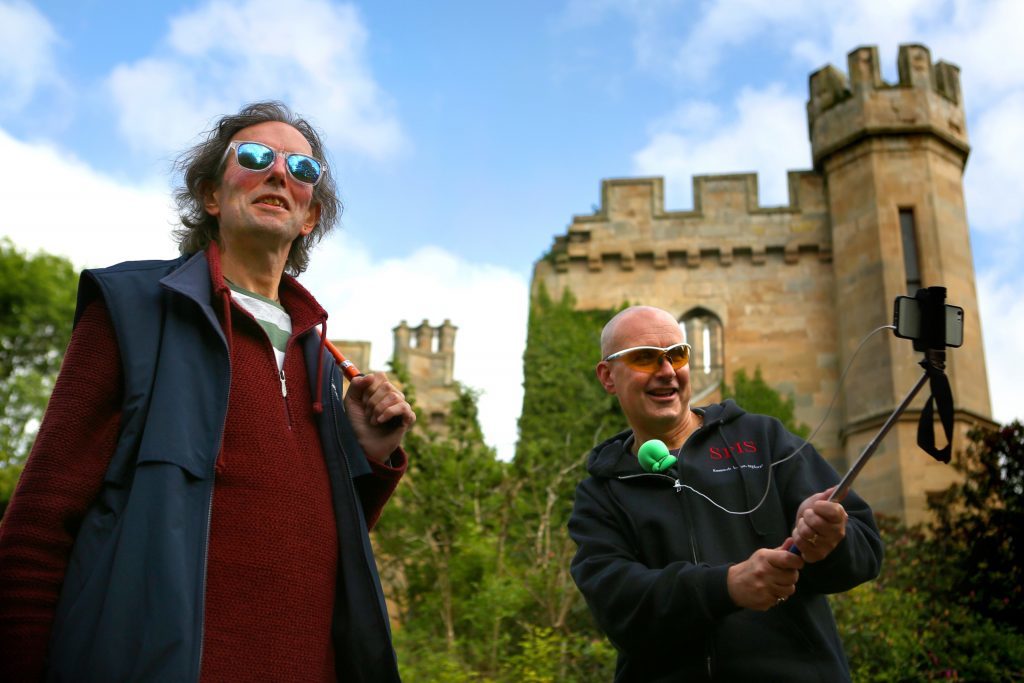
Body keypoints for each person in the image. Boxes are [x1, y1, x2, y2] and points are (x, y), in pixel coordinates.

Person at [0, 101, 414, 682]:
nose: (278, 173)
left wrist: (367, 459)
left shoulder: (322, 364)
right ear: (211, 196)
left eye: (301, 169)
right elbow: (39, 527)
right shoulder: (135, 311)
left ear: (309, 217)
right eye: (255, 157)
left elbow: (311, 550)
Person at [568, 305, 883, 682]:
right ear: (607, 376)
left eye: (676, 355)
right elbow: (619, 608)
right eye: (644, 359)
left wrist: (832, 542)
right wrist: (726, 586)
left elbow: (866, 552)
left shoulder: (763, 439)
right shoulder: (600, 493)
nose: (667, 371)